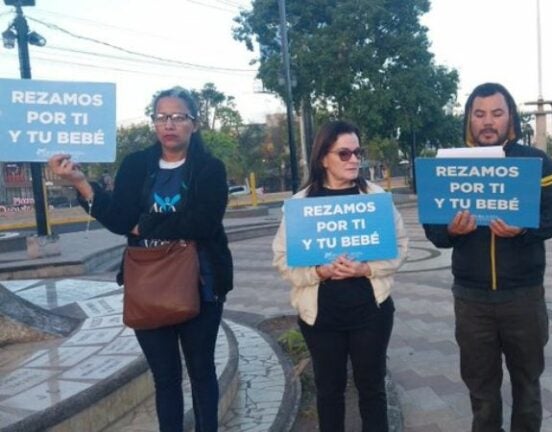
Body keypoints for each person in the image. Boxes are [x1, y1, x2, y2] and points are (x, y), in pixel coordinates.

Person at [49, 86, 233, 432]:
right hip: (148, 283)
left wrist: (143, 222)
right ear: (153, 123)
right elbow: (119, 219)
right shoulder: (136, 165)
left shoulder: (210, 167)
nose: (169, 124)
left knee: (202, 371)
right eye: (162, 117)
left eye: (179, 117)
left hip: (202, 283)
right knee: (165, 379)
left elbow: (203, 222)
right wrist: (80, 183)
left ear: (194, 123)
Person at [423, 82, 552, 432]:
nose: (488, 121)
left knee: (527, 386)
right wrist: (452, 231)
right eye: (479, 114)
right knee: (481, 390)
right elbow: (434, 231)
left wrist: (523, 231)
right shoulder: (449, 165)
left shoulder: (536, 161)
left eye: (497, 113)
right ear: (469, 119)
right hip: (471, 300)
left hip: (523, 296)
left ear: (511, 118)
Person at [272, 120, 408, 432]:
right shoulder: (299, 206)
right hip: (321, 318)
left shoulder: (376, 199)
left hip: (370, 313)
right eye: (344, 154)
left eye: (357, 152)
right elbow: (282, 260)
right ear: (324, 158)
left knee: (372, 389)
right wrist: (317, 272)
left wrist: (367, 269)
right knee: (329, 392)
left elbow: (400, 247)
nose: (354, 160)